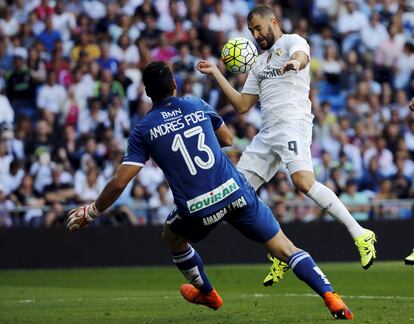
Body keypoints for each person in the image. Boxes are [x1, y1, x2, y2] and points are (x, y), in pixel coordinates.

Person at [67, 62, 353, 320]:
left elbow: (119, 182)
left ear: (146, 92)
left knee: (172, 238)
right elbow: (227, 139)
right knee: (286, 248)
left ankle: (207, 293)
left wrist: (91, 212)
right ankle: (332, 297)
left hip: (198, 207)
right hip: (235, 191)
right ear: (175, 85)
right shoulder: (196, 104)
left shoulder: (144, 130)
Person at [196, 5, 377, 286]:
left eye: (258, 28)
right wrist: (217, 73)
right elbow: (243, 106)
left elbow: (301, 56)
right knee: (235, 197)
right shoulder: (259, 62)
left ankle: (360, 233)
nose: (256, 35)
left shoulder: (292, 42)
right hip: (267, 134)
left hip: (293, 123)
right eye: (251, 31)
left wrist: (296, 63)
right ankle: (281, 252)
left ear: (274, 22)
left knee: (303, 182)